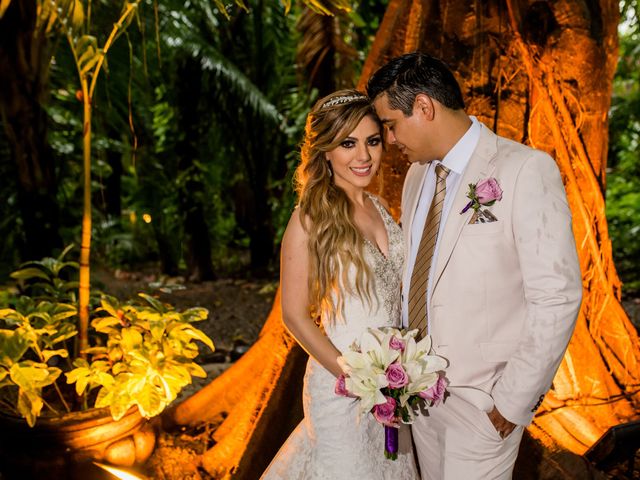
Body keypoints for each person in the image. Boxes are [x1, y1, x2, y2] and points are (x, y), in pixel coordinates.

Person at [366, 53, 582, 479]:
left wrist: (511, 400)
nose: (389, 140)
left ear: (424, 107)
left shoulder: (524, 169)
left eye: (391, 124)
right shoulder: (416, 178)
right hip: (420, 398)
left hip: (484, 403)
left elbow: (557, 295)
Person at [261, 89, 419, 480]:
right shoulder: (309, 218)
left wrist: (397, 375)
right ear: (326, 151)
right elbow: (294, 316)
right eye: (348, 143)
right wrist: (357, 378)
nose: (363, 156)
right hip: (340, 388)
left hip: (393, 385)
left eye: (372, 141)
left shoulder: (380, 207)